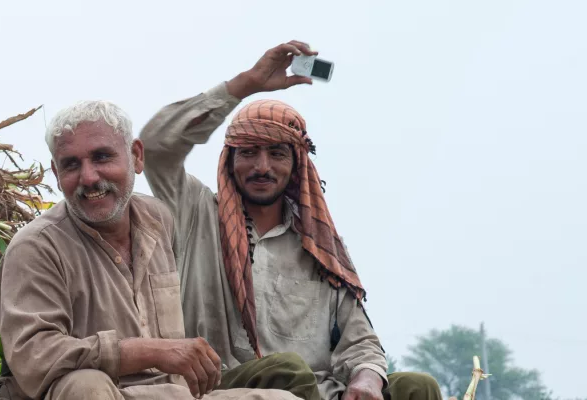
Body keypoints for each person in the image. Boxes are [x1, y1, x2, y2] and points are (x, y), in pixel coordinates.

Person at [139, 41, 442, 400]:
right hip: (229, 386)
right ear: (230, 162)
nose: (262, 167)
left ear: (297, 163)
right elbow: (156, 145)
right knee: (287, 370)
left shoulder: (320, 245)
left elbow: (359, 341)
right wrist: (246, 84)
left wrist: (366, 379)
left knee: (417, 387)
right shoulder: (196, 214)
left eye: (277, 153)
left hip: (319, 390)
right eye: (248, 153)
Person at [0, 100, 313, 400]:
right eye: (71, 164)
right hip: (105, 393)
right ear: (57, 174)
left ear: (137, 156)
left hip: (170, 394)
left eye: (102, 157)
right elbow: (33, 357)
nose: (88, 177)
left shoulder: (158, 219)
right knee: (85, 385)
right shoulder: (37, 247)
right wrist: (148, 351)